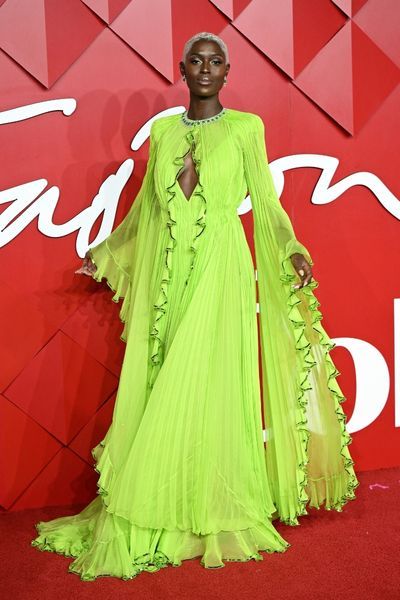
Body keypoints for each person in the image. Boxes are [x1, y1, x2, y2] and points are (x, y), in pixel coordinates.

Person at [31, 31, 359, 581]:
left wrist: (292, 249)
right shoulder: (161, 132)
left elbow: (267, 199)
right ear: (181, 69)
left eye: (216, 62)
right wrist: (108, 253)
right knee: (165, 380)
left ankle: (208, 506)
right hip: (170, 273)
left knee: (206, 382)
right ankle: (167, 506)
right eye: (196, 61)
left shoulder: (246, 128)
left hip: (221, 270)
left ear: (227, 73)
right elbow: (145, 211)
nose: (206, 69)